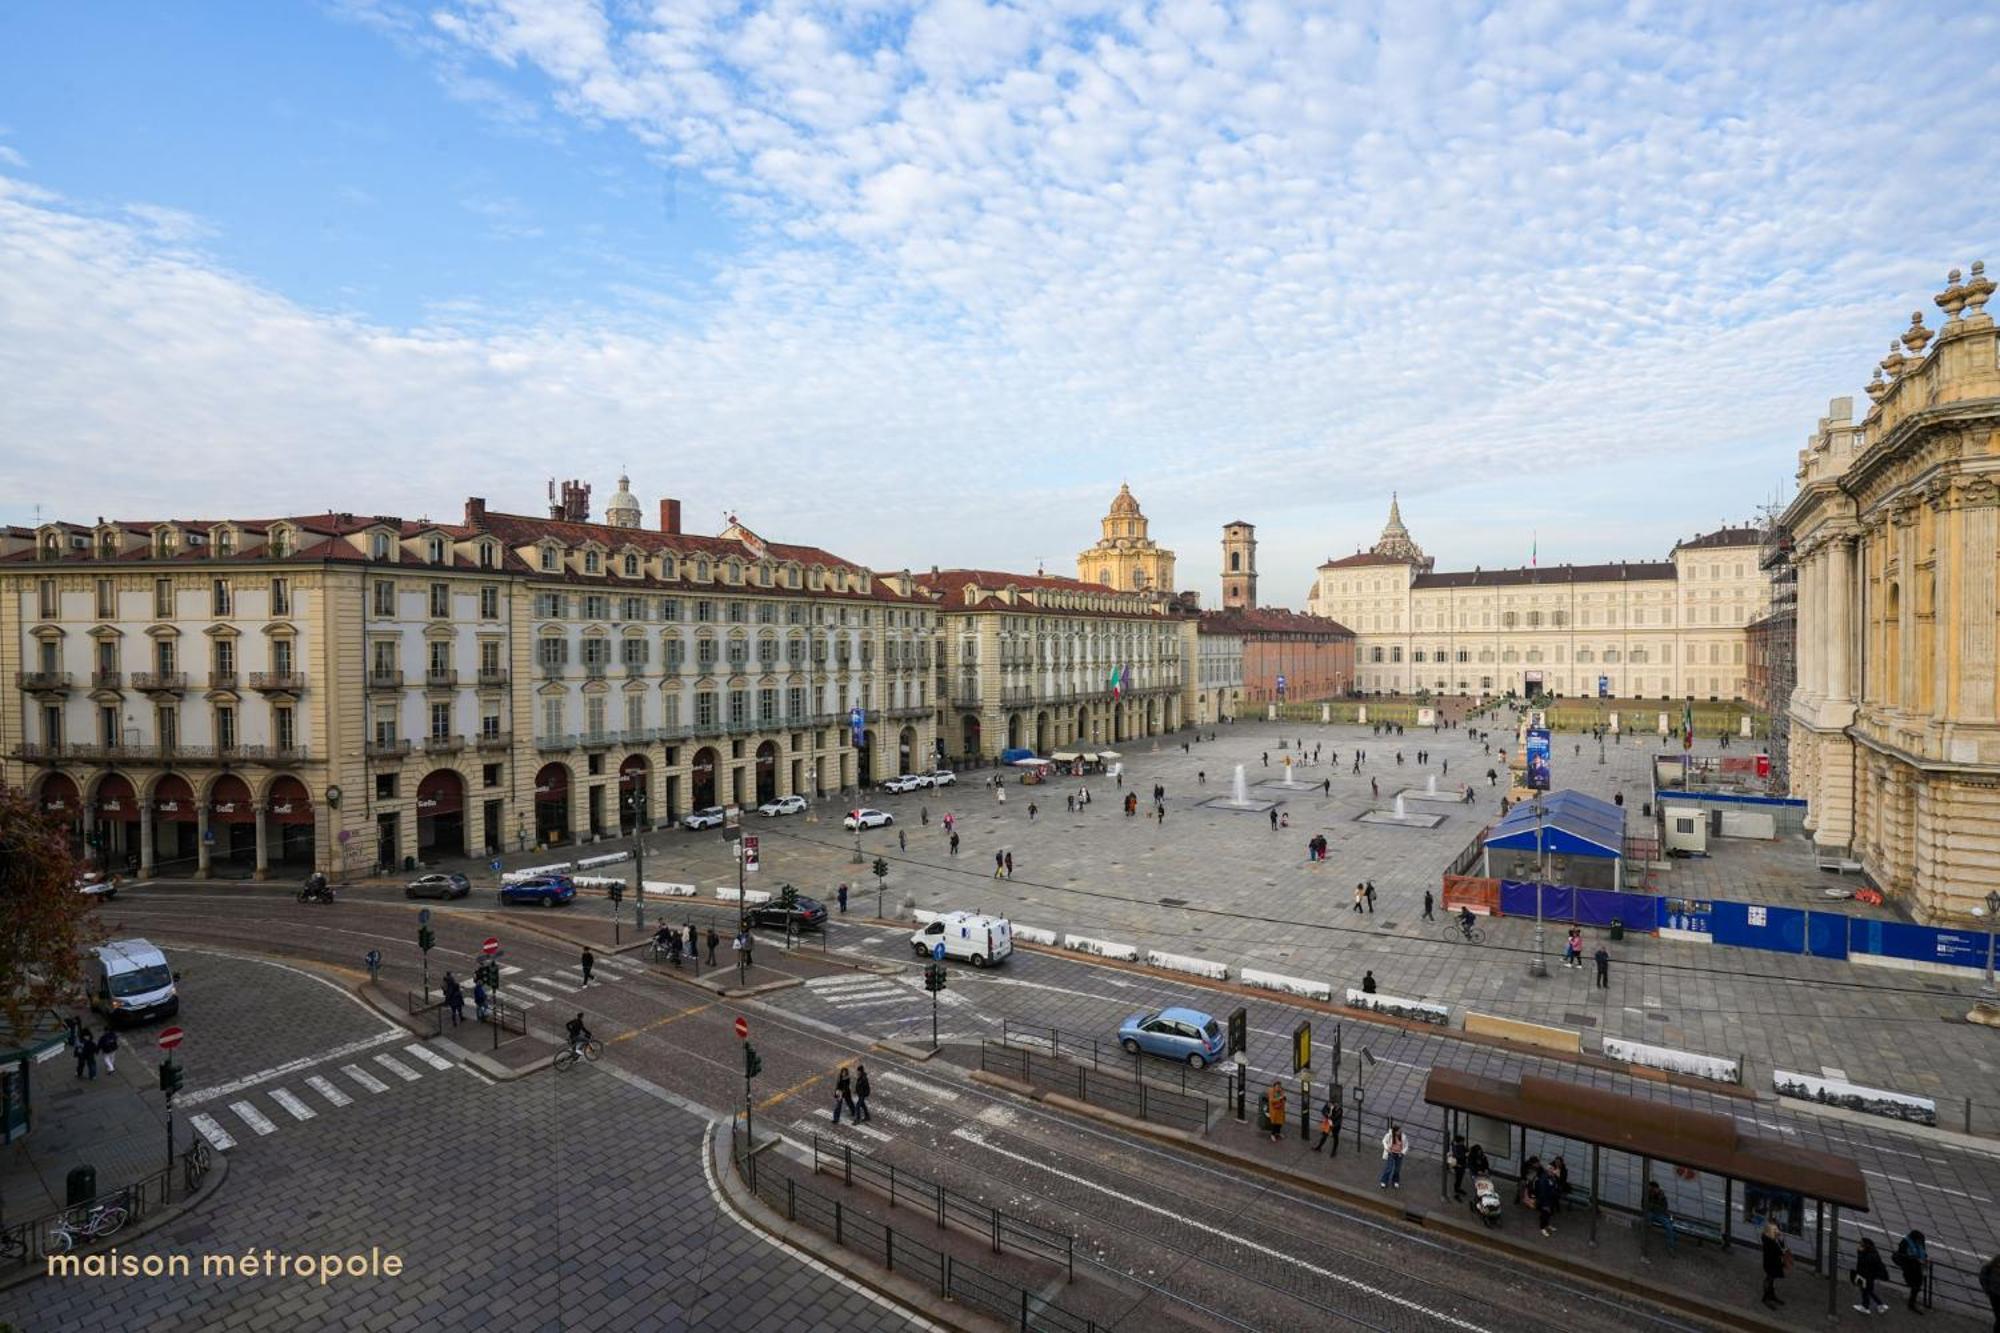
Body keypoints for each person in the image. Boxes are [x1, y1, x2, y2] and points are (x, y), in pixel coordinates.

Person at [1853, 1237, 1890, 1315]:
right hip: (1868, 1276)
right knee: (1868, 1291)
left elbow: (1863, 1263)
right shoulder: (1872, 1252)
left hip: (1867, 1276)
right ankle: (1877, 1305)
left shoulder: (1869, 1254)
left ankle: (1867, 1307)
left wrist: (1859, 1252)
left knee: (1866, 1290)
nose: (1859, 1244)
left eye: (1861, 1243)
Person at [1895, 1230, 1929, 1311]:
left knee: (1919, 1282)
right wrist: (1916, 1259)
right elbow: (1903, 1255)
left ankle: (1914, 1292)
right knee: (1915, 1284)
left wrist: (1925, 1257)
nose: (1920, 1242)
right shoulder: (1905, 1243)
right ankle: (1912, 1303)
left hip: (1920, 1265)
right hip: (1911, 1266)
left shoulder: (1920, 1241)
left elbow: (1923, 1251)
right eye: (1918, 1240)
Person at [1761, 1218, 1789, 1307]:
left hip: (1773, 1262)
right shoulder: (1769, 1239)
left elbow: (1781, 1247)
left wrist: (1781, 1241)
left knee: (1771, 1279)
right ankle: (1766, 1298)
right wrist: (1783, 1250)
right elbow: (1779, 1251)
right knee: (1769, 1279)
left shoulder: (1772, 1237)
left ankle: (1771, 1296)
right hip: (1771, 1262)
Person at [1644, 1179, 1678, 1249]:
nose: (1652, 1191)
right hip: (1651, 1213)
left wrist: (1653, 1206)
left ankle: (1671, 1246)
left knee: (1669, 1227)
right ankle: (1646, 1237)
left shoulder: (1662, 1196)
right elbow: (1644, 1205)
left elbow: (1663, 1209)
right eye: (1651, 1189)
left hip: (1660, 1215)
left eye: (1653, 1189)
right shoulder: (1648, 1194)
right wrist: (1653, 1207)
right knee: (1648, 1217)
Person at [1532, 1162, 1559, 1236]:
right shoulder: (1544, 1178)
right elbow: (1543, 1191)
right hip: (1545, 1200)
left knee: (1549, 1214)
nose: (1551, 1171)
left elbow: (1555, 1186)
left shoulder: (1553, 1177)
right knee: (1544, 1214)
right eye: (1550, 1169)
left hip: (1551, 1200)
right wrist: (1545, 1203)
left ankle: (1547, 1225)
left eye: (1552, 1169)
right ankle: (1542, 1228)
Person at [1378, 1123, 1406, 1188]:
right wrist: (1387, 1148)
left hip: (1399, 1155)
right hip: (1391, 1153)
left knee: (1397, 1169)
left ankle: (1395, 1181)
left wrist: (1402, 1153)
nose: (1400, 1132)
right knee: (1389, 1168)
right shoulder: (1389, 1135)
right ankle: (1384, 1181)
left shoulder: (1403, 1137)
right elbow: (1384, 1141)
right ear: (1395, 1132)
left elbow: (1406, 1145)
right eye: (1399, 1131)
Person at [1448, 1132, 1468, 1198]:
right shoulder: (1455, 1147)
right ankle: (1457, 1189)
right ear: (1459, 1142)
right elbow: (1458, 1156)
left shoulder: (1461, 1146)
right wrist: (1465, 1155)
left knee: (1460, 1177)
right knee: (1458, 1177)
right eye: (1462, 1141)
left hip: (1462, 1164)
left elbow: (1465, 1150)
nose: (1463, 1142)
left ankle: (1458, 1188)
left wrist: (1467, 1151)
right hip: (1458, 1165)